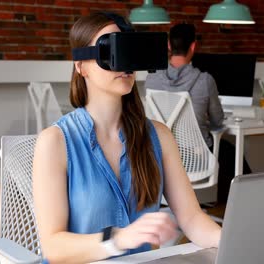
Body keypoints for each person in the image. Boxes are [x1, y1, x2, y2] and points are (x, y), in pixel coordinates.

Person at [32, 13, 221, 263]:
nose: (123, 64)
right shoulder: (54, 142)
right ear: (80, 66)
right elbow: (53, 247)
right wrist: (118, 239)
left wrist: (235, 240)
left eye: (128, 50)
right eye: (110, 50)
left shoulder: (159, 137)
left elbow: (192, 219)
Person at [145, 23, 251, 203]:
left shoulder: (152, 79)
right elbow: (218, 122)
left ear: (169, 46)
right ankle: (240, 205)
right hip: (195, 159)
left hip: (160, 157)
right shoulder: (205, 81)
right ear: (193, 46)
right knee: (230, 152)